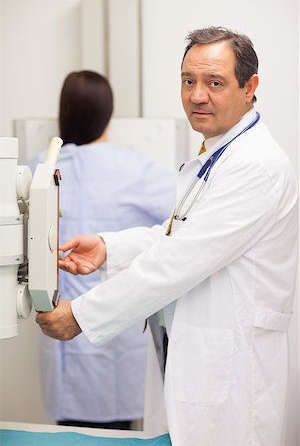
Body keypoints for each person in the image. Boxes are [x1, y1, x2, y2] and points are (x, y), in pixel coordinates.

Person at [36, 27, 298, 446]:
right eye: (188, 81)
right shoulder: (217, 154)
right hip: (192, 358)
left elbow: (180, 260)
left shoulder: (256, 166)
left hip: (230, 374)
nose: (197, 95)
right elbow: (176, 237)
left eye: (215, 83)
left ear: (250, 87)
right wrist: (110, 247)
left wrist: (83, 315)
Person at [29, 70, 176, 429]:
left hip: (60, 328)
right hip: (116, 333)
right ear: (108, 113)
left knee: (72, 433)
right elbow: (186, 213)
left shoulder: (41, 169)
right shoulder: (133, 168)